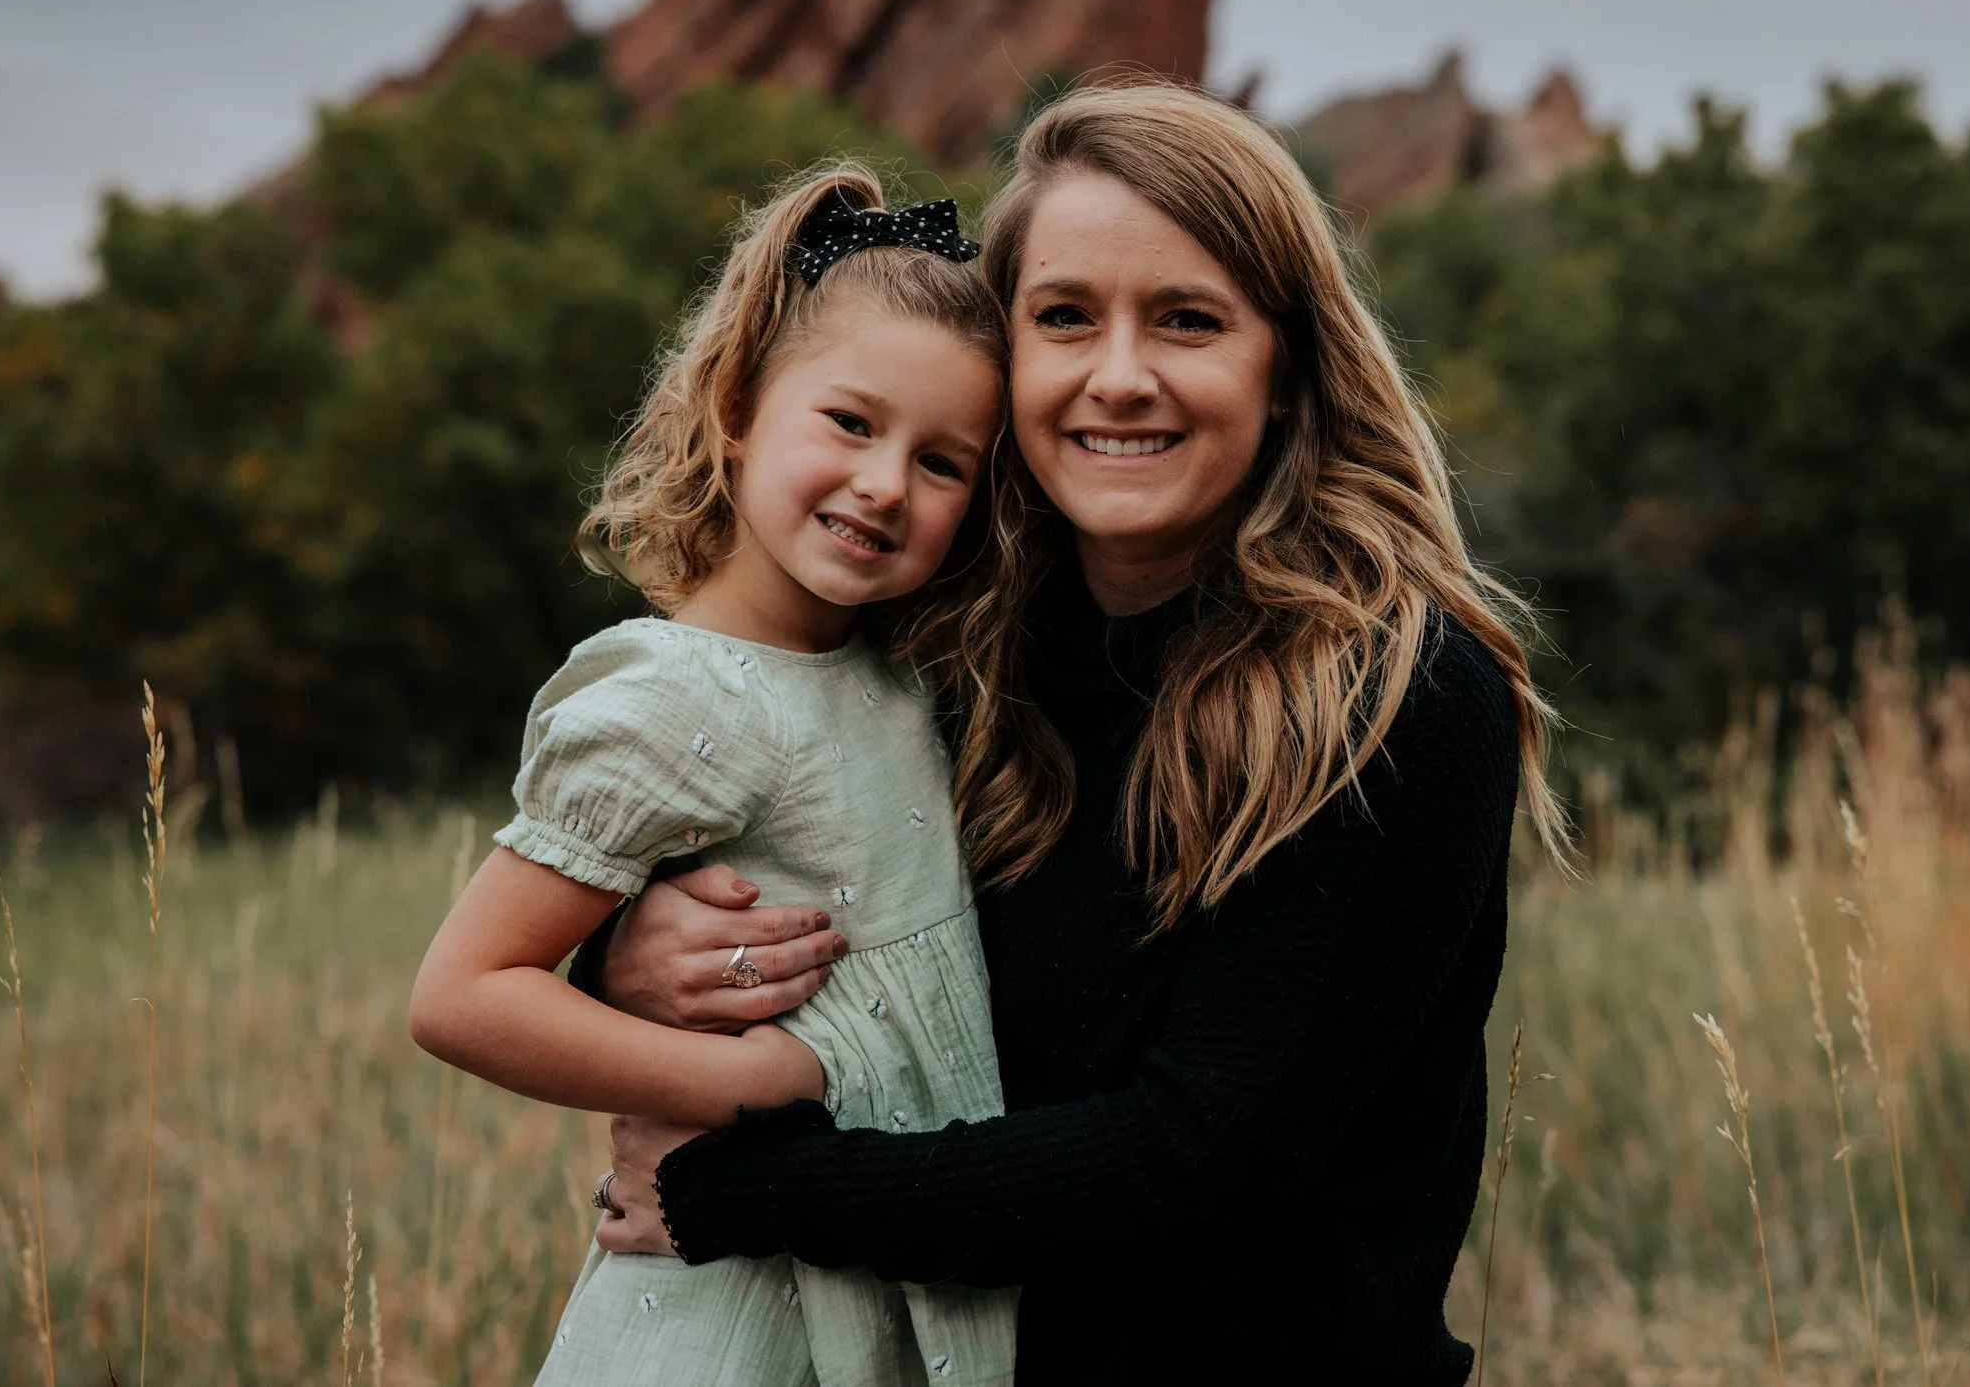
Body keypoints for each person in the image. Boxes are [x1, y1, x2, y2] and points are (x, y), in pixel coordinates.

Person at [579, 84, 1575, 1385]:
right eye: (1063, 318)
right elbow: (763, 864)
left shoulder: (1394, 693)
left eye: (1187, 320)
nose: (1118, 374)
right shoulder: (956, 658)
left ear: (1285, 366)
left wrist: (741, 1194)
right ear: (1007, 369)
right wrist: (630, 943)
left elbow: (1195, 1157)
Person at [408, 166, 1018, 1387]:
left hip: (872, 1261)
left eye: (943, 462)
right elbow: (464, 992)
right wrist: (755, 1076)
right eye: (849, 422)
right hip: (733, 1310)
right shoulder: (675, 695)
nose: (886, 483)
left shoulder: (904, 675)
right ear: (737, 406)